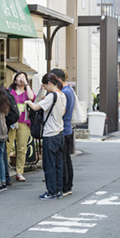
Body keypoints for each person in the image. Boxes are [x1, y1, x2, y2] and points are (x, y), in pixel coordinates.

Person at [25, 73, 66, 200]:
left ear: (50, 83)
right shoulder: (61, 95)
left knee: (49, 165)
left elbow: (36, 107)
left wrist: (28, 101)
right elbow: (62, 111)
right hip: (60, 133)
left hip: (50, 134)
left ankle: (51, 192)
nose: (44, 87)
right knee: (59, 164)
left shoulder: (51, 95)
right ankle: (59, 189)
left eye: (44, 85)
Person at [50, 68, 75, 196]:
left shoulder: (64, 93)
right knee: (67, 159)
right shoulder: (70, 90)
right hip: (68, 128)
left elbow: (62, 112)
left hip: (63, 129)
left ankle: (65, 186)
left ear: (59, 80)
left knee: (63, 159)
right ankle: (68, 186)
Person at [7, 72, 35, 182]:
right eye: (19, 77)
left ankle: (19, 172)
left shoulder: (27, 92)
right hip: (12, 122)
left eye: (23, 77)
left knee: (22, 148)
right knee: (7, 147)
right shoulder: (10, 92)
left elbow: (31, 97)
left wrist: (26, 84)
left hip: (24, 122)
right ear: (14, 80)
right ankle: (5, 171)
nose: (21, 79)